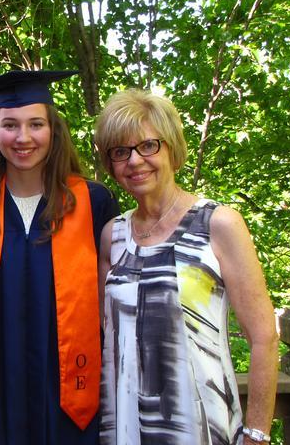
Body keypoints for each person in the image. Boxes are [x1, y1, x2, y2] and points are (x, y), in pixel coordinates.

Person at [94, 89, 279, 445]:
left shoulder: (218, 224)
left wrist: (256, 434)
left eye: (148, 145)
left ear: (173, 150)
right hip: (125, 426)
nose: (135, 160)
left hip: (202, 425)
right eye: (120, 152)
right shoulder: (112, 236)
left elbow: (263, 337)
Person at [0, 70, 120, 444]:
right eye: (10, 125)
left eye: (36, 124)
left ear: (53, 131)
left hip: (73, 392)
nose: (23, 137)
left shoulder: (93, 203)